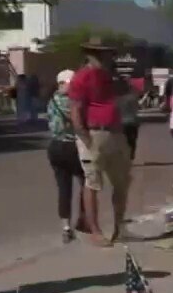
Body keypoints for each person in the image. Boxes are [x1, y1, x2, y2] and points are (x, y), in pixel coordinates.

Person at [67, 38, 132, 246]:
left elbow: (128, 90)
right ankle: (95, 230)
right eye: (101, 54)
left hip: (115, 133)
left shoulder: (109, 77)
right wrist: (85, 138)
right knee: (93, 183)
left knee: (122, 182)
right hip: (94, 133)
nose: (106, 57)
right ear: (90, 54)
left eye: (108, 53)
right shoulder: (81, 78)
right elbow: (75, 110)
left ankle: (120, 226)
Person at [47, 69, 84, 242]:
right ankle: (84, 218)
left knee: (63, 188)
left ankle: (66, 227)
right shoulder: (74, 102)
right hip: (73, 145)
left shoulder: (52, 100)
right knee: (87, 182)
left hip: (55, 146)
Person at [116, 76, 141, 161]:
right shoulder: (132, 97)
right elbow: (136, 109)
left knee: (122, 141)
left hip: (119, 123)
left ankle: (123, 156)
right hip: (132, 122)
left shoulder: (116, 98)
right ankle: (131, 155)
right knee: (132, 141)